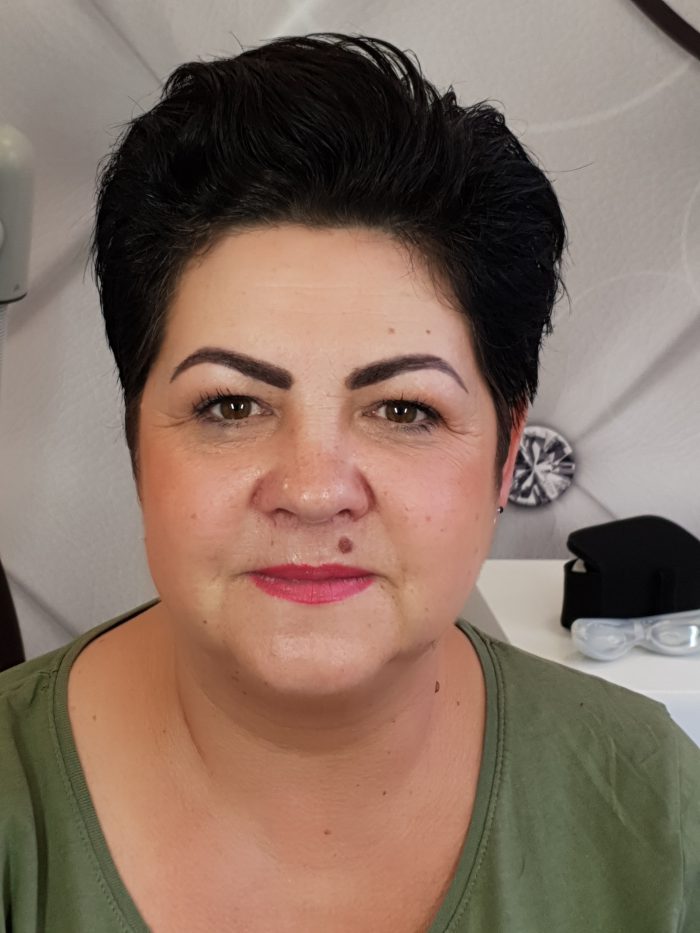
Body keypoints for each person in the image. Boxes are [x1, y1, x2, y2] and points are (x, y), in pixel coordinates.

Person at [1, 31, 698, 933]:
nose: (313, 489)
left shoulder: (658, 813)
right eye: (231, 404)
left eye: (404, 409)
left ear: (505, 452)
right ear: (137, 438)